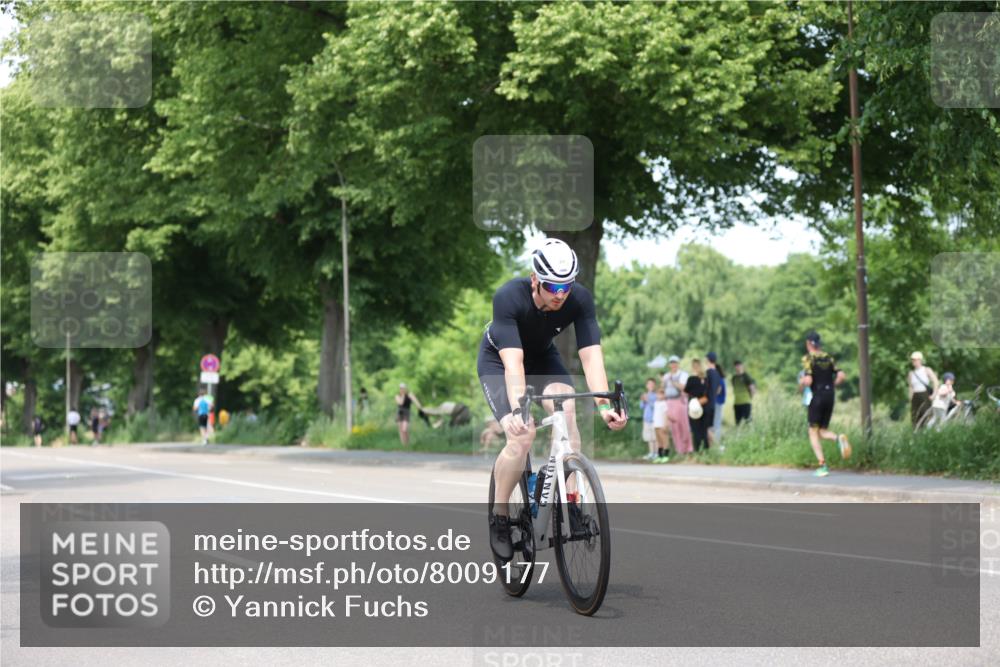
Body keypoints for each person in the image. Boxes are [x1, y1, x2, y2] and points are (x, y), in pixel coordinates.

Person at [479, 238, 627, 560]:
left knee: (567, 411)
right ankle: (500, 516)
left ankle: (568, 499)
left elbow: (591, 358)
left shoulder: (580, 299)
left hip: (543, 358)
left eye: (566, 287)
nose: (560, 295)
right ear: (535, 279)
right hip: (500, 361)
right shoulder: (509, 297)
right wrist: (518, 409)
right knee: (522, 435)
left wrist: (605, 406)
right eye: (551, 286)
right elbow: (513, 364)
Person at [799, 332, 850, 477]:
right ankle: (838, 438)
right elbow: (841, 375)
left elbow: (808, 380)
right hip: (830, 396)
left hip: (817, 397)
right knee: (821, 431)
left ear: (808, 344)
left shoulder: (808, 358)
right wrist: (832, 385)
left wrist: (802, 382)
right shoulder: (829, 357)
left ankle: (822, 465)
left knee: (812, 431)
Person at [662, 355, 693, 455]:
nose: (673, 364)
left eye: (675, 362)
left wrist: (673, 381)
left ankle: (688, 449)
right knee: (674, 427)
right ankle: (679, 450)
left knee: (684, 426)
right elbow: (662, 389)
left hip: (680, 401)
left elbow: (684, 388)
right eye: (671, 363)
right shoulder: (666, 376)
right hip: (669, 402)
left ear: (678, 364)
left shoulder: (683, 375)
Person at [684, 359, 710, 452]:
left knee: (696, 430)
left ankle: (698, 450)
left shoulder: (691, 379)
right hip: (704, 405)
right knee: (704, 430)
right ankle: (706, 450)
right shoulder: (706, 379)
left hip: (693, 406)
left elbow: (686, 390)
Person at [907, 351, 939, 427]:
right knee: (915, 417)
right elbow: (911, 387)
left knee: (926, 415)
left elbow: (935, 382)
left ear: (920, 360)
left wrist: (934, 394)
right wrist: (910, 398)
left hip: (924, 395)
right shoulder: (911, 373)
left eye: (915, 359)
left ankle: (927, 433)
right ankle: (917, 434)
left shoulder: (927, 370)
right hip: (915, 396)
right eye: (913, 360)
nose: (913, 361)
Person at [731, 360, 757, 425]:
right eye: (736, 366)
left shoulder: (746, 376)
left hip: (746, 402)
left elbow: (752, 389)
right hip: (737, 403)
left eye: (739, 365)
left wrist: (749, 398)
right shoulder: (734, 378)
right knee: (738, 423)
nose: (737, 367)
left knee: (748, 422)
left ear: (742, 366)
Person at [639, 378, 658, 461]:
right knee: (649, 437)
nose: (651, 385)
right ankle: (651, 453)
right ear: (647, 386)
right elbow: (641, 407)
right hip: (646, 419)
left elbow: (655, 407)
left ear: (654, 385)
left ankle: (656, 453)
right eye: (649, 384)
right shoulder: (645, 395)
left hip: (654, 418)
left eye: (652, 384)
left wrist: (648, 400)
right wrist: (643, 400)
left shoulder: (656, 395)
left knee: (655, 437)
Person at [652, 387, 670, 463]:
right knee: (659, 440)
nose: (660, 395)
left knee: (664, 439)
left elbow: (666, 414)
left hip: (662, 424)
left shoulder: (664, 403)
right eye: (658, 393)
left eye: (662, 393)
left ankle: (666, 455)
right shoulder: (656, 403)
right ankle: (660, 456)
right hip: (656, 424)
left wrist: (665, 424)